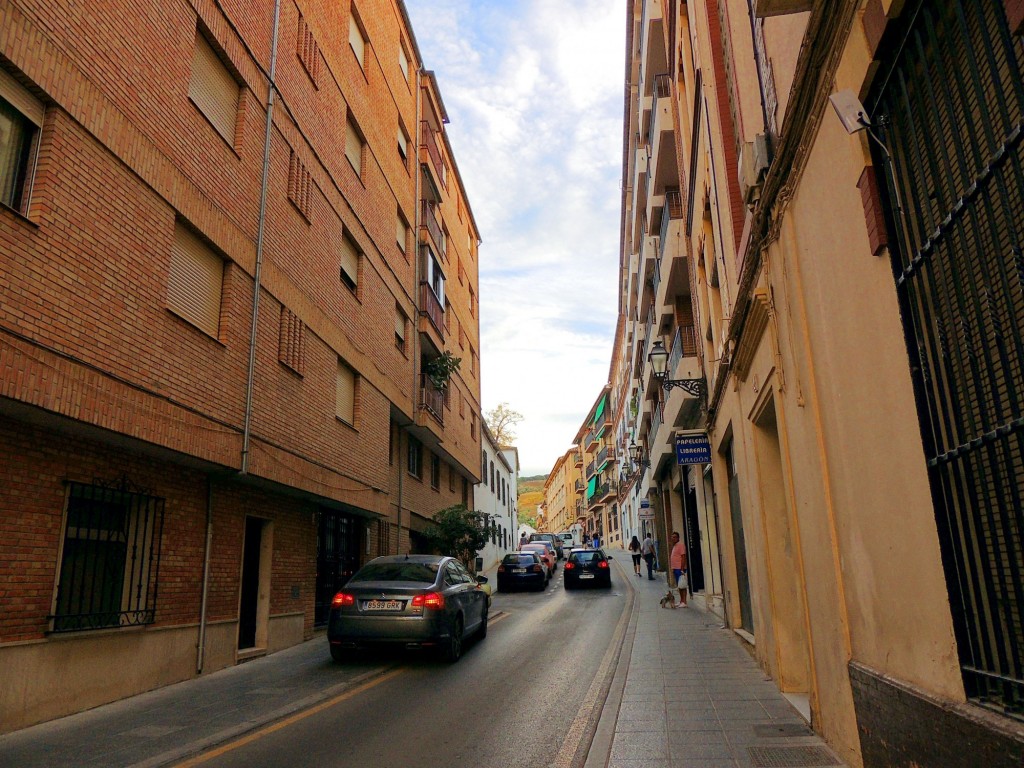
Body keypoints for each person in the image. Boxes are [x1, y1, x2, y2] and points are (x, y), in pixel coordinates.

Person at [669, 531, 688, 607]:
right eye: (672, 537)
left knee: (682, 585)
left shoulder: (681, 545)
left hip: (679, 568)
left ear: (678, 538)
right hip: (675, 568)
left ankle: (684, 601)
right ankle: (681, 601)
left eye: (674, 537)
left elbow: (683, 557)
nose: (673, 538)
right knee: (679, 585)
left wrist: (682, 569)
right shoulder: (675, 546)